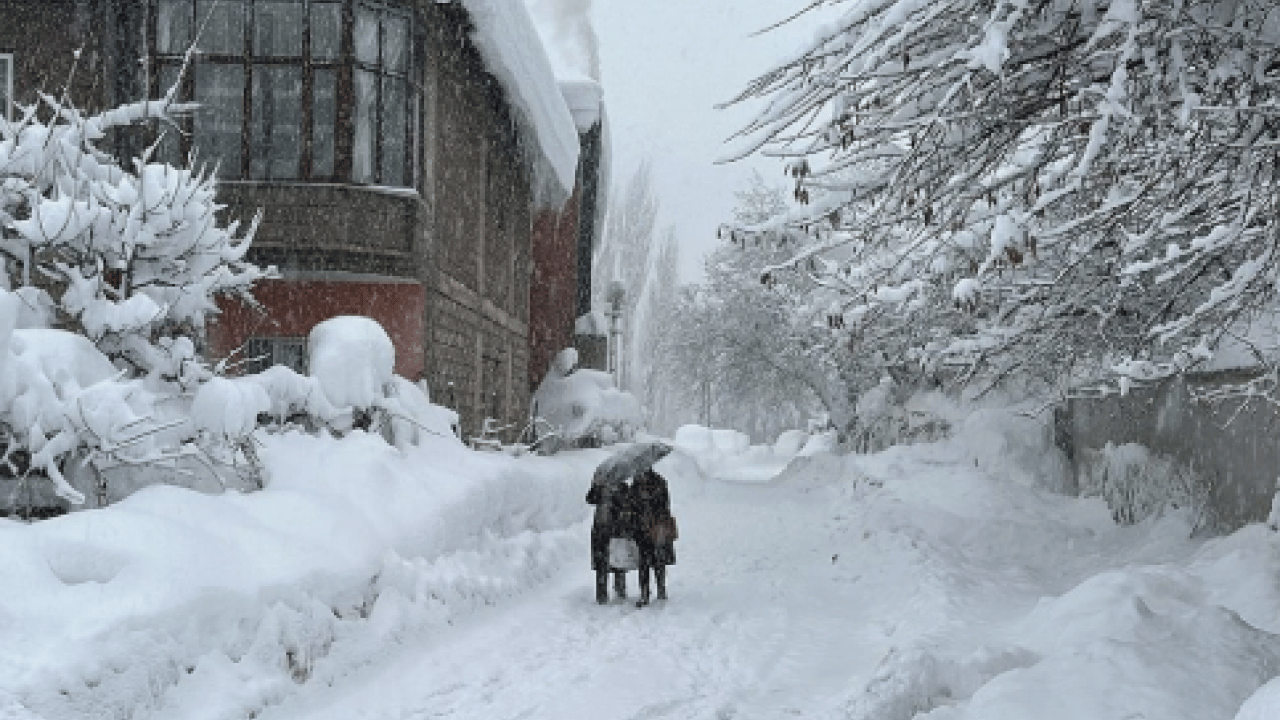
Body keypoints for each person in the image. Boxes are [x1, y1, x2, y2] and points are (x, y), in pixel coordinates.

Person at [586, 474, 638, 604]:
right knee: (601, 563)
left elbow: (628, 505)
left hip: (616, 531)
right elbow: (590, 499)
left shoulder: (624, 488)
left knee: (618, 561)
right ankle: (601, 594)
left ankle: (620, 590)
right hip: (600, 530)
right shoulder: (600, 488)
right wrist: (597, 486)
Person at [633, 467, 676, 607]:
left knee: (659, 561)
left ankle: (661, 590)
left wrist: (650, 500)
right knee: (643, 563)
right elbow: (632, 503)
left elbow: (665, 504)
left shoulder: (659, 482)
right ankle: (644, 594)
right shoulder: (636, 483)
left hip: (657, 527)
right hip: (641, 528)